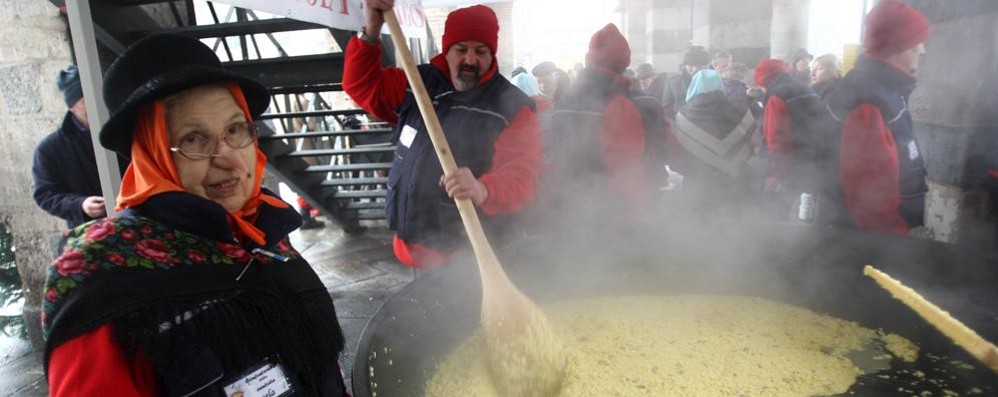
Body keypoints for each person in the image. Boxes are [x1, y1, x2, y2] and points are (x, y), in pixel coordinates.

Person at [41, 34, 348, 396]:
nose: (228, 158)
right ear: (152, 154)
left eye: (235, 130)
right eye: (193, 139)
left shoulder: (262, 232)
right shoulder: (99, 280)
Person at [343, 1, 541, 269]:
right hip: (410, 247)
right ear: (446, 50)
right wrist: (370, 32)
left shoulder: (511, 106)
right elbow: (361, 85)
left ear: (492, 54)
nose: (471, 60)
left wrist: (484, 188)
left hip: (465, 260)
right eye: (461, 50)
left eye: (481, 51)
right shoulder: (417, 82)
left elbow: (523, 179)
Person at [826, 0, 930, 235]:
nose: (922, 51)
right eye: (917, 44)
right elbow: (869, 198)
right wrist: (893, 244)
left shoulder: (883, 91)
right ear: (899, 48)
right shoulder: (869, 101)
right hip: (874, 239)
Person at [544, 24, 647, 209]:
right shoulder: (617, 100)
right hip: (605, 206)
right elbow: (625, 165)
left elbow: (552, 151)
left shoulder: (564, 97)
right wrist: (636, 210)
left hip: (564, 200)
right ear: (623, 63)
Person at [32, 66, 125, 239]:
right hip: (93, 236)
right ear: (71, 107)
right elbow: (45, 195)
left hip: (139, 221)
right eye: (85, 101)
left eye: (97, 97)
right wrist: (81, 205)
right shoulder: (50, 149)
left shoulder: (125, 129)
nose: (95, 105)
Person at [754, 58, 837, 219]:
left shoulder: (777, 97)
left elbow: (777, 139)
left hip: (789, 169)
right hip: (813, 164)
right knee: (804, 216)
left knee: (776, 216)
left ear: (766, 81)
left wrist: (774, 175)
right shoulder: (806, 88)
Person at [671, 69, 757, 212]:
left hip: (698, 183)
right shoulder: (739, 108)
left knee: (701, 227)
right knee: (735, 227)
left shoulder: (683, 115)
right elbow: (753, 140)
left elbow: (679, 151)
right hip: (735, 181)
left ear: (694, 86)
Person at [662, 46, 711, 120]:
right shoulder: (673, 83)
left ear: (706, 66)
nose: (695, 69)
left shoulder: (714, 82)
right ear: (685, 66)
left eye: (699, 65)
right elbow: (666, 110)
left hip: (708, 125)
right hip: (680, 125)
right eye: (691, 65)